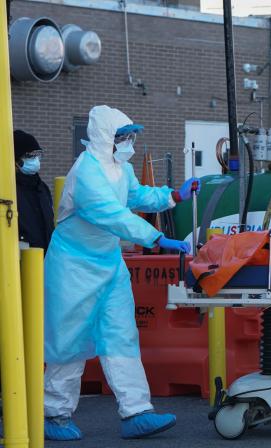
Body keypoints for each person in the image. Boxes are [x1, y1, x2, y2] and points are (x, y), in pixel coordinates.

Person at [43, 105, 201, 441]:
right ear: (104, 138)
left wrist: (173, 195)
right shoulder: (86, 172)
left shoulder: (119, 168)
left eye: (130, 136)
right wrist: (157, 238)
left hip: (109, 264)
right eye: (122, 137)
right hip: (73, 267)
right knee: (67, 342)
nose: (128, 142)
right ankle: (53, 413)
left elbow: (136, 196)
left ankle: (136, 412)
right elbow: (112, 215)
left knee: (121, 337)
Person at [13, 130, 54, 250]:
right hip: (20, 261)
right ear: (16, 160)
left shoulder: (42, 188)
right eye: (29, 156)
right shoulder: (8, 189)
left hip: (45, 259)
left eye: (37, 154)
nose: (35, 159)